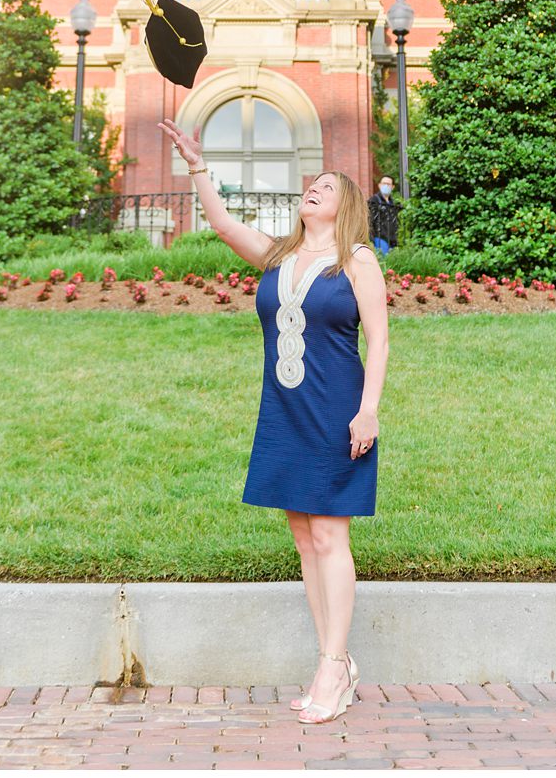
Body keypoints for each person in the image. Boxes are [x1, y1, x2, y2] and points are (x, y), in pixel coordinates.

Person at [158, 119, 390, 726]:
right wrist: (198, 166)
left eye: (328, 187)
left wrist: (368, 409)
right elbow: (225, 224)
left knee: (331, 537)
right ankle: (330, 658)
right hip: (285, 412)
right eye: (311, 184)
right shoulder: (280, 254)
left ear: (346, 208)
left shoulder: (359, 260)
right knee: (303, 537)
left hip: (337, 412)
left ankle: (334, 667)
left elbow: (381, 340)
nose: (313, 189)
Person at [367, 177, 401, 259]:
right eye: (384, 183)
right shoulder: (374, 201)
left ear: (392, 187)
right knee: (383, 260)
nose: (386, 186)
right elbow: (369, 219)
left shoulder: (393, 203)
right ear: (379, 185)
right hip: (379, 237)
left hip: (392, 238)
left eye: (388, 184)